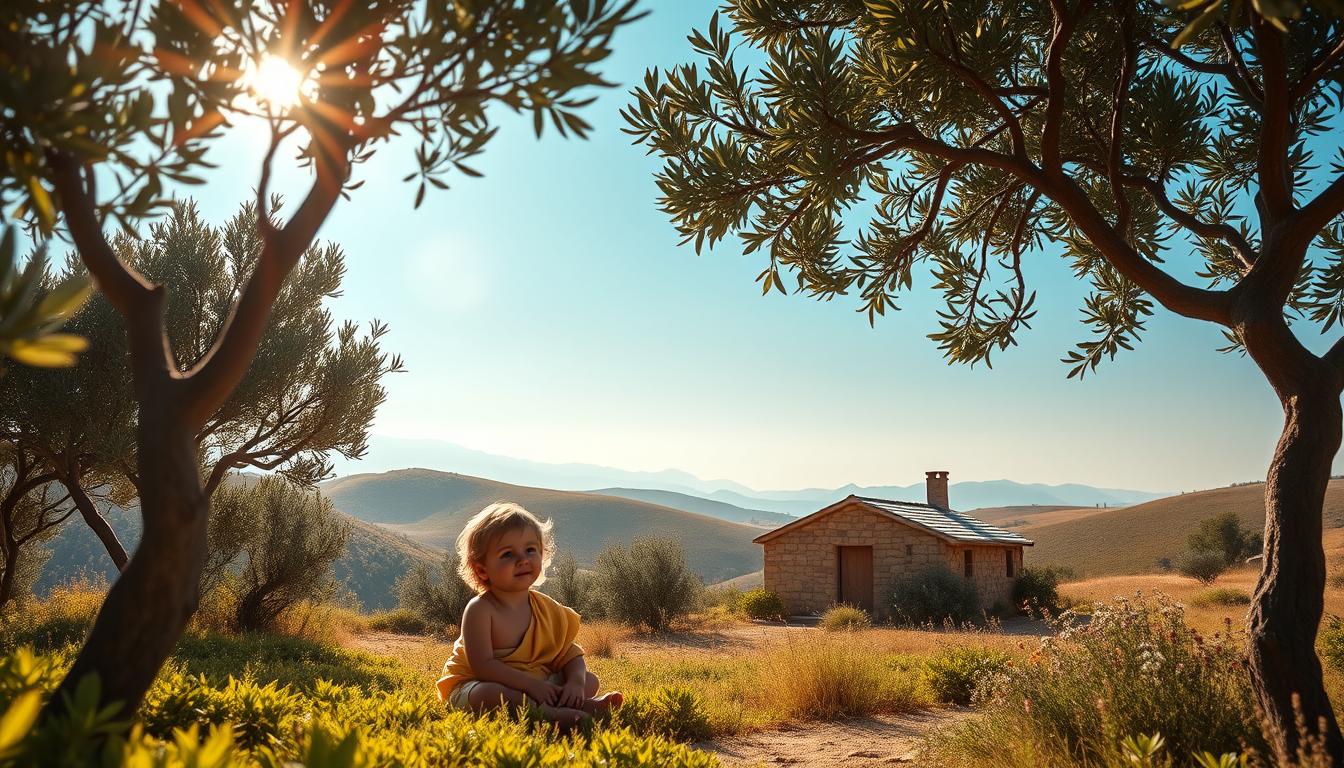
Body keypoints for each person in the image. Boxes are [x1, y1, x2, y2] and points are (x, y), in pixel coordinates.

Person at [435, 502, 622, 728]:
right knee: (490, 693)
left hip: (534, 683)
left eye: (530, 550)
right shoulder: (480, 610)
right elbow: (483, 666)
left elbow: (570, 655)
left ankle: (573, 704)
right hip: (475, 684)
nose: (523, 559)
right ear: (482, 570)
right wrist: (532, 686)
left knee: (589, 681)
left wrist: (574, 682)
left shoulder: (547, 608)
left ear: (543, 555)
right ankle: (550, 716)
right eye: (507, 554)